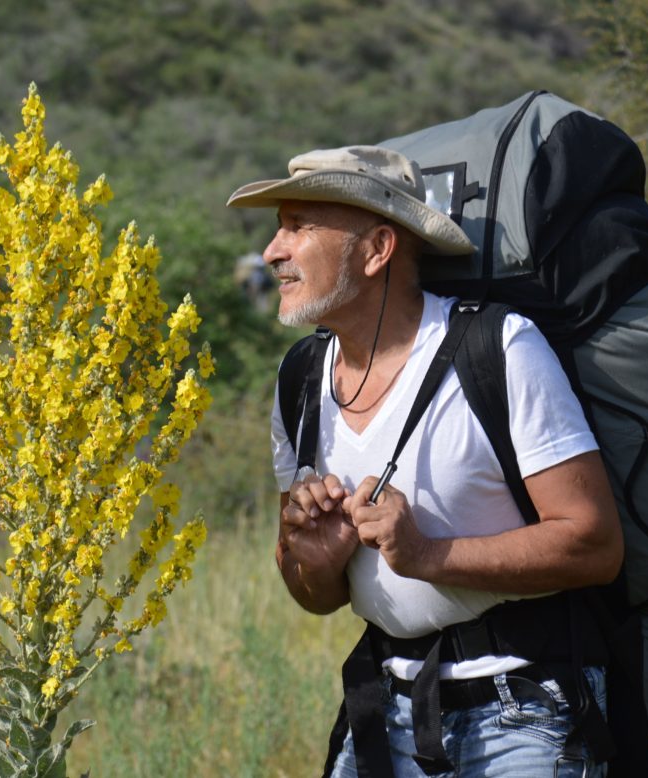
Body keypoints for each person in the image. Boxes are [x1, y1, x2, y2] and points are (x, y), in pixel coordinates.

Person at [227, 145, 624, 777]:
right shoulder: (299, 377)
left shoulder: (501, 347)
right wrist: (314, 561)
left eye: (299, 226)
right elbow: (313, 595)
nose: (274, 250)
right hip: (386, 706)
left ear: (377, 248)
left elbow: (596, 545)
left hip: (525, 707)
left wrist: (429, 556)